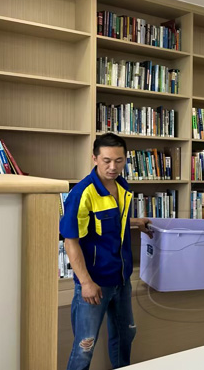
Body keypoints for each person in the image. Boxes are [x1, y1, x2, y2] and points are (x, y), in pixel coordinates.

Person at [60, 133, 153, 370]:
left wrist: (135, 222)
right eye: (107, 160)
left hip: (121, 279)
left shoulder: (123, 186)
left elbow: (109, 223)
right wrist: (86, 282)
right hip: (94, 284)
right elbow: (70, 241)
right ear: (94, 159)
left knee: (125, 337)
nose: (113, 167)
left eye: (119, 160)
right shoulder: (82, 193)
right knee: (84, 347)